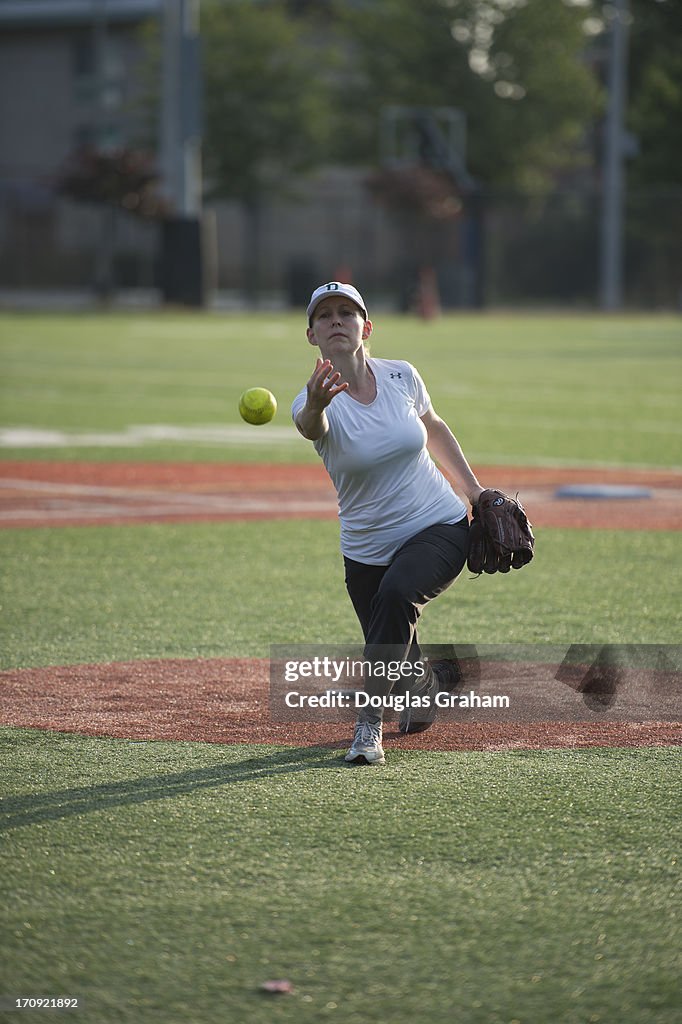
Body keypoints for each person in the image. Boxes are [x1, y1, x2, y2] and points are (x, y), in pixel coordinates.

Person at [291, 282, 485, 765]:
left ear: (366, 327)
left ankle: (368, 724)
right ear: (311, 335)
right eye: (325, 315)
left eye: (346, 312)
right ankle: (424, 687)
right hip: (365, 547)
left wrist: (475, 493)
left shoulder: (402, 375)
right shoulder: (312, 400)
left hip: (437, 523)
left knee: (398, 596)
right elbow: (310, 425)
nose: (336, 320)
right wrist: (316, 403)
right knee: (391, 645)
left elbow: (433, 426)